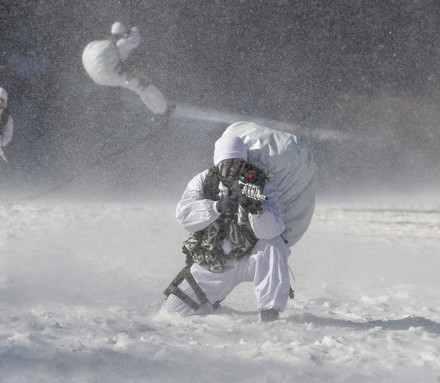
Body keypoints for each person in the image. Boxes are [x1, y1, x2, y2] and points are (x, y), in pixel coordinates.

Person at [162, 134, 292, 322]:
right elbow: (184, 216)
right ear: (218, 163)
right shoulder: (204, 181)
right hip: (214, 263)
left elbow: (273, 230)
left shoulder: (260, 184)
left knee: (274, 244)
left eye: (238, 163)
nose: (233, 169)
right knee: (171, 314)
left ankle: (270, 312)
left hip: (249, 259)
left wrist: (256, 211)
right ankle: (209, 302)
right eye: (228, 163)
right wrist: (217, 207)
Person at [82, 21, 170, 118]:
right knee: (149, 88)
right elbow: (136, 40)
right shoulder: (122, 43)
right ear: (122, 33)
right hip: (125, 75)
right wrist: (134, 29)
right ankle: (164, 112)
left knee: (141, 90)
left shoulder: (109, 44)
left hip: (117, 78)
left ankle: (157, 111)